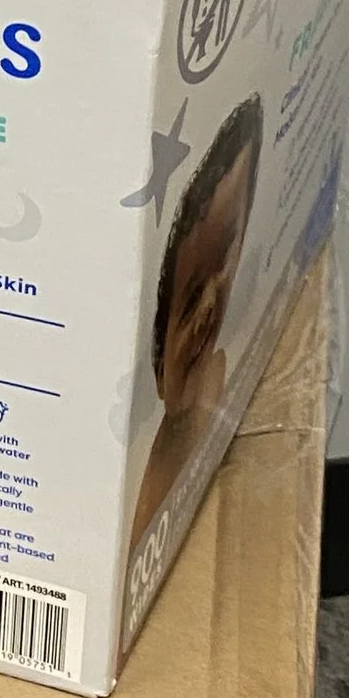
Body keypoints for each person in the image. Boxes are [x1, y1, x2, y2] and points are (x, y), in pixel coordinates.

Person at [128, 95, 262, 577]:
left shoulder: (221, 378)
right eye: (191, 297)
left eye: (225, 266)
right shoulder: (143, 457)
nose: (209, 308)